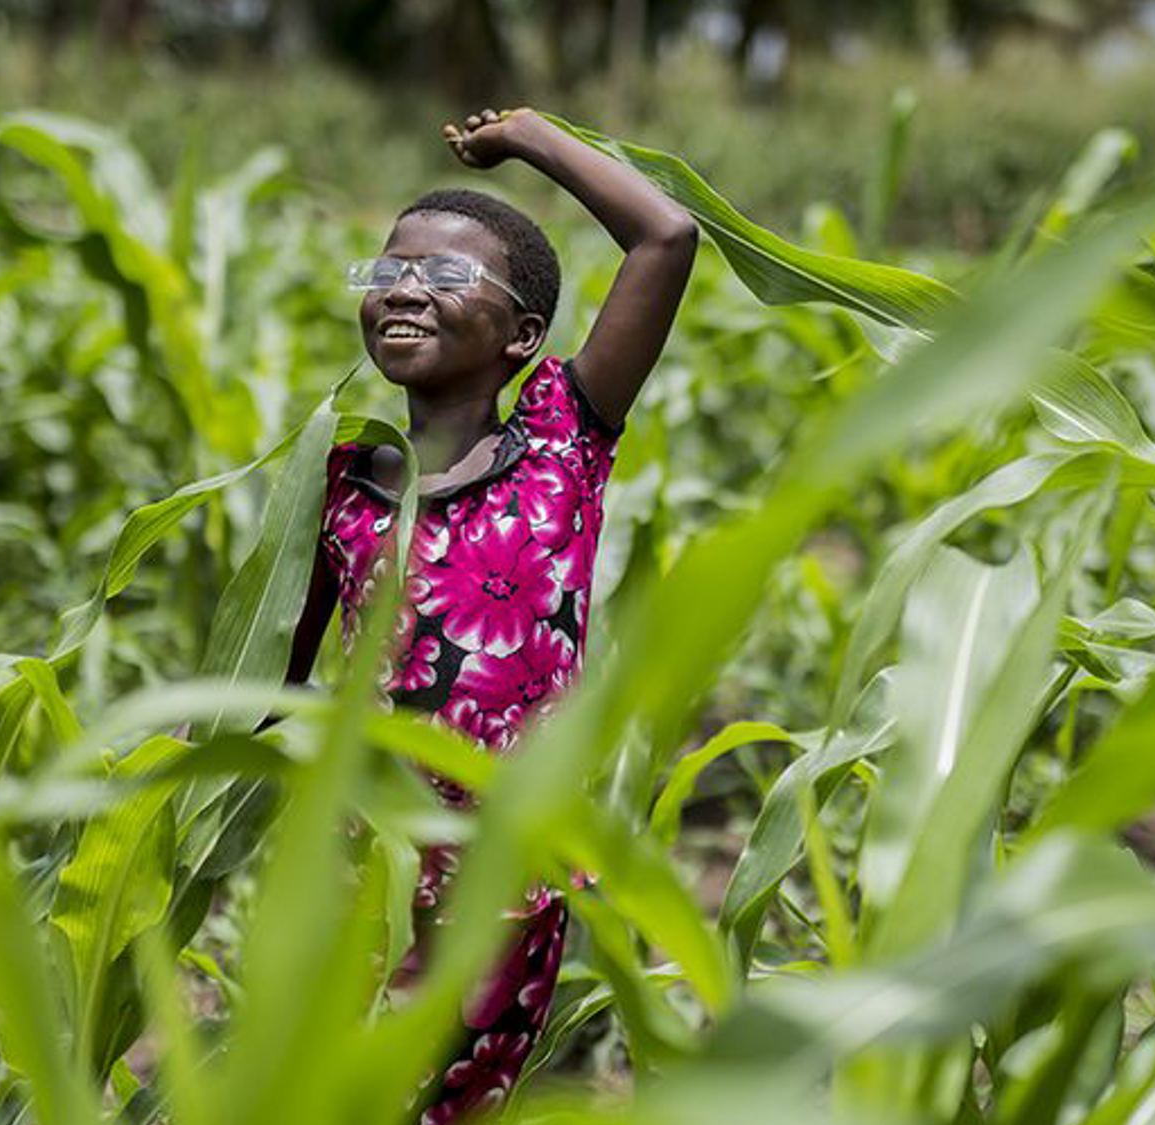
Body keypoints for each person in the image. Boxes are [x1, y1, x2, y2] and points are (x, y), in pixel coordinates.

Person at [281, 107, 697, 1124]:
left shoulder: (560, 442)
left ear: (522, 335)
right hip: (364, 868)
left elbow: (665, 237)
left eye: (446, 273)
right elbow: (273, 670)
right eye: (388, 271)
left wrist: (528, 137)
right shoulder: (343, 478)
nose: (404, 288)